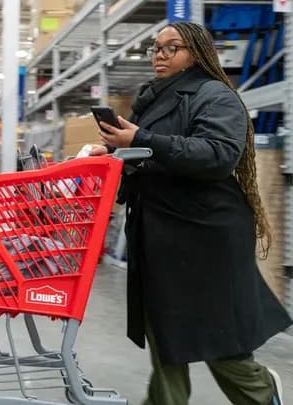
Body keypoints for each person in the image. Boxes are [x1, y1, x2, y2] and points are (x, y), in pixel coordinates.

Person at [88, 21, 292, 405]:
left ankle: (262, 394)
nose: (160, 56)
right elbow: (157, 160)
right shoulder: (154, 99)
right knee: (166, 332)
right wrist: (117, 156)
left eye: (172, 48)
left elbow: (216, 155)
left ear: (196, 53)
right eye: (155, 48)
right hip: (162, 232)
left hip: (204, 235)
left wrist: (141, 140)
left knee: (218, 337)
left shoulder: (214, 95)